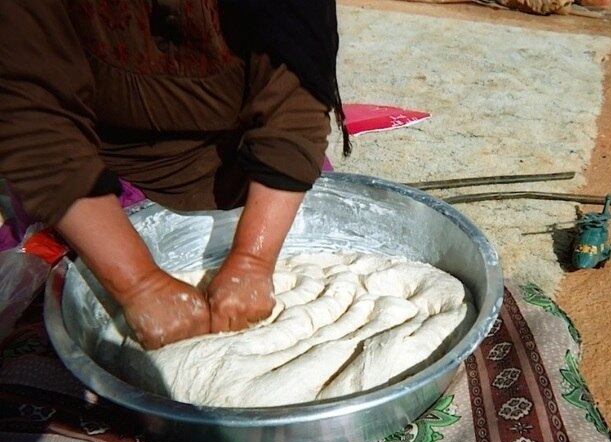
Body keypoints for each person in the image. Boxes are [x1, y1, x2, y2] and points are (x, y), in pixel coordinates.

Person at [0, 1, 350, 349]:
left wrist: (253, 260)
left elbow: (297, 92)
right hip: (87, 179)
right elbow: (33, 122)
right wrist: (140, 284)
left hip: (256, 160)